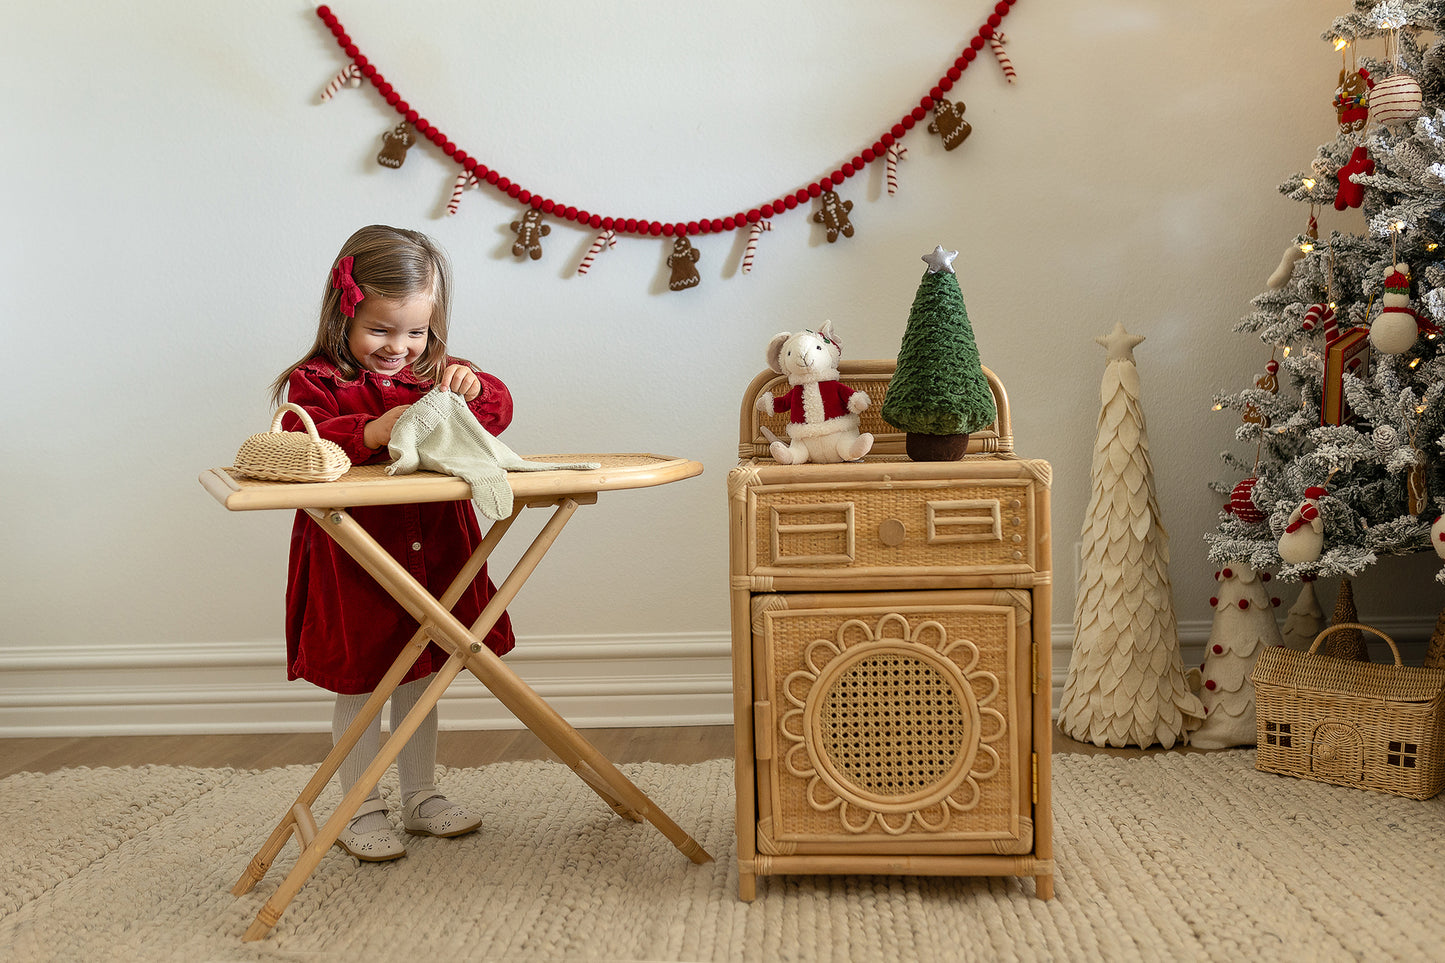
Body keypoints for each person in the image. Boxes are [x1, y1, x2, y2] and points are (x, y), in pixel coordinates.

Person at [269, 224, 514, 861]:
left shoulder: (437, 373)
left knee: (421, 674)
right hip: (354, 558)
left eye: (415, 332)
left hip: (432, 552)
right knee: (362, 683)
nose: (399, 347)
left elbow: (495, 414)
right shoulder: (314, 381)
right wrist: (377, 427)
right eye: (381, 330)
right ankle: (360, 804)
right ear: (343, 312)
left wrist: (475, 389)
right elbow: (310, 439)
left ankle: (421, 793)